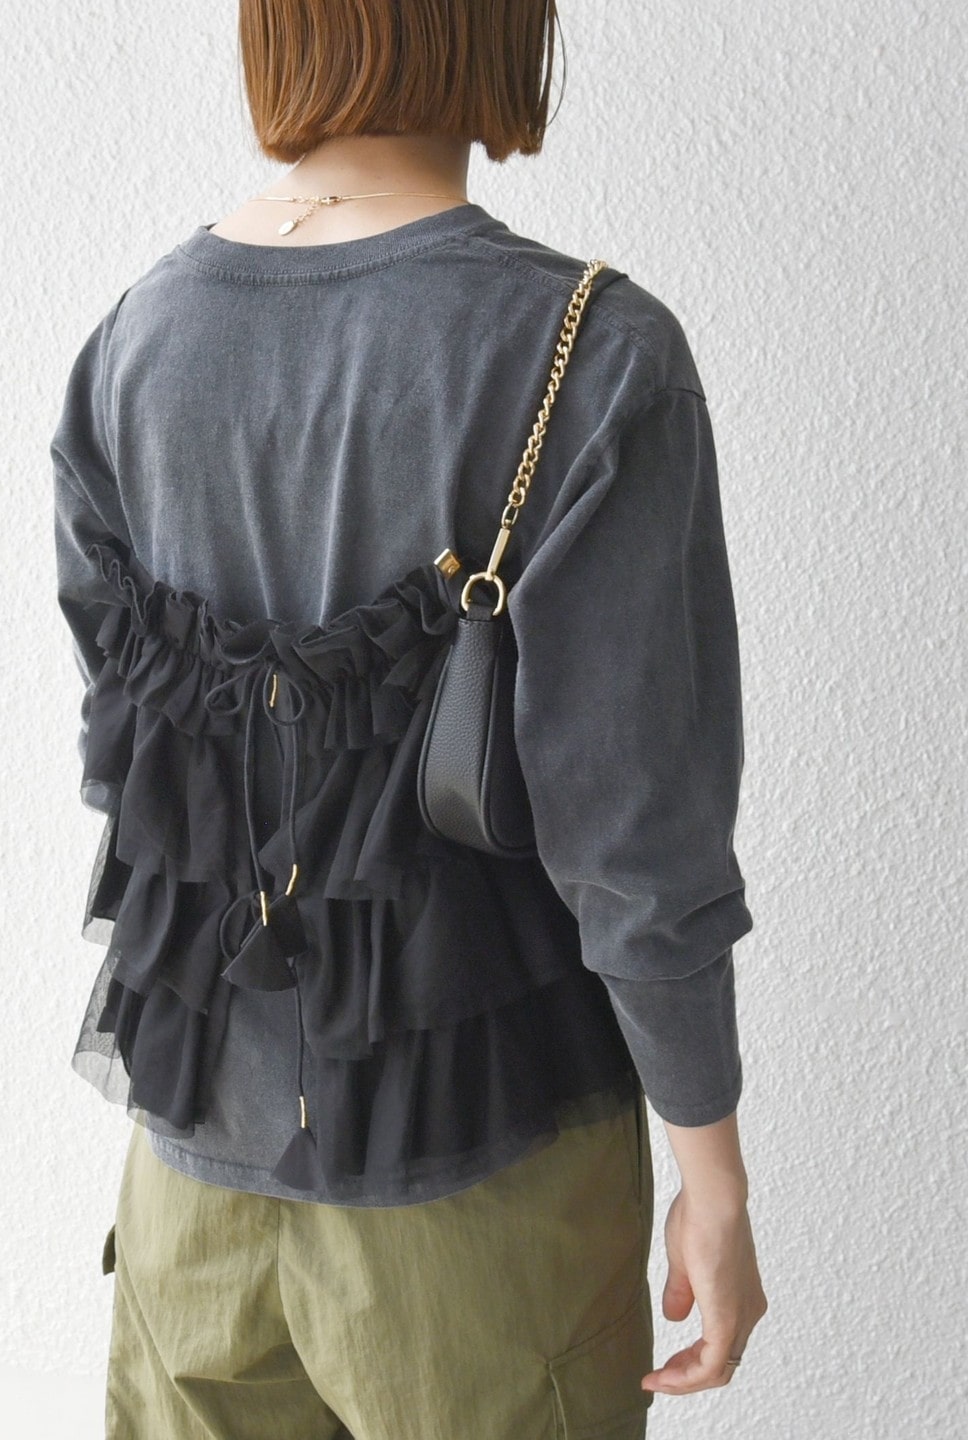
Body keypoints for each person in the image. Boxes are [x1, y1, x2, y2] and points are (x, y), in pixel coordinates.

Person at [51, 3, 768, 1435]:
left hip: (192, 1194)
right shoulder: (589, 353)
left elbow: (138, 755)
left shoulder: (136, 338)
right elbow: (636, 834)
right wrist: (715, 1176)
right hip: (481, 1207)